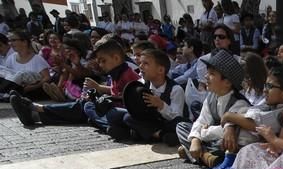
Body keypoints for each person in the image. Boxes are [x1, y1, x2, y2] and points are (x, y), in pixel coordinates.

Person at [10, 39, 139, 129]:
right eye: (99, 61)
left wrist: (100, 94)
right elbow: (114, 90)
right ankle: (35, 114)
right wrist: (98, 89)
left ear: (116, 58)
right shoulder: (117, 72)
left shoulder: (127, 73)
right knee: (81, 107)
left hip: (118, 111)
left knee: (86, 107)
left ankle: (38, 110)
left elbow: (127, 97)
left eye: (103, 61)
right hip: (110, 107)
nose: (100, 65)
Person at [175, 49, 250, 168]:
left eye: (212, 74)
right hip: (212, 141)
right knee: (182, 126)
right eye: (207, 73)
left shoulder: (239, 103)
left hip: (225, 145)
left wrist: (204, 132)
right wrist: (195, 140)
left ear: (227, 82)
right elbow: (201, 120)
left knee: (231, 139)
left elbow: (226, 131)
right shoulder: (211, 97)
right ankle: (206, 156)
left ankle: (198, 154)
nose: (206, 76)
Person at [106, 48, 186, 144]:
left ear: (160, 70)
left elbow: (177, 116)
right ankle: (159, 134)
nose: (140, 66)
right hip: (149, 121)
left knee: (179, 123)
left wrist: (161, 105)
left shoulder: (175, 89)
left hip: (166, 123)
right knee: (123, 116)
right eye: (140, 63)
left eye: (146, 64)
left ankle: (137, 133)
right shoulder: (141, 84)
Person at [0, 30, 49, 98]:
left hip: (33, 87)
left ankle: (6, 94)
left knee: (21, 74)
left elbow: (47, 78)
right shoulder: (11, 58)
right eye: (9, 41)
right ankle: (8, 93)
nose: (10, 43)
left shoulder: (37, 59)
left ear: (24, 42)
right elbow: (9, 75)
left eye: (13, 40)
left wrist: (33, 87)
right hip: (18, 86)